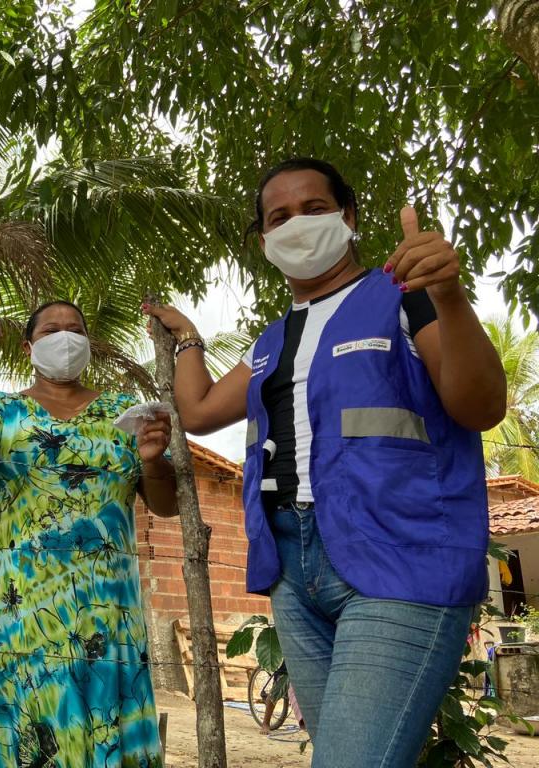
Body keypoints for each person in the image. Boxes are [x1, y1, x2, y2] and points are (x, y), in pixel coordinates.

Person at [145, 157, 506, 767]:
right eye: (278, 217)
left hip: (401, 560)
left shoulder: (403, 297)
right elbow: (200, 410)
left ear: (350, 218)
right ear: (265, 242)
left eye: (314, 209)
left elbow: (481, 405)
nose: (297, 225)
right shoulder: (271, 341)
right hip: (293, 570)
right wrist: (188, 340)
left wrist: (448, 295)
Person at [0, 297, 178, 767]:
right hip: (15, 612)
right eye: (51, 331)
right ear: (29, 347)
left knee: (97, 724)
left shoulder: (124, 414)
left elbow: (166, 504)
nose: (65, 337)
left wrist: (152, 461)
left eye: (75, 329)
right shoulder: (0, 410)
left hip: (103, 613)